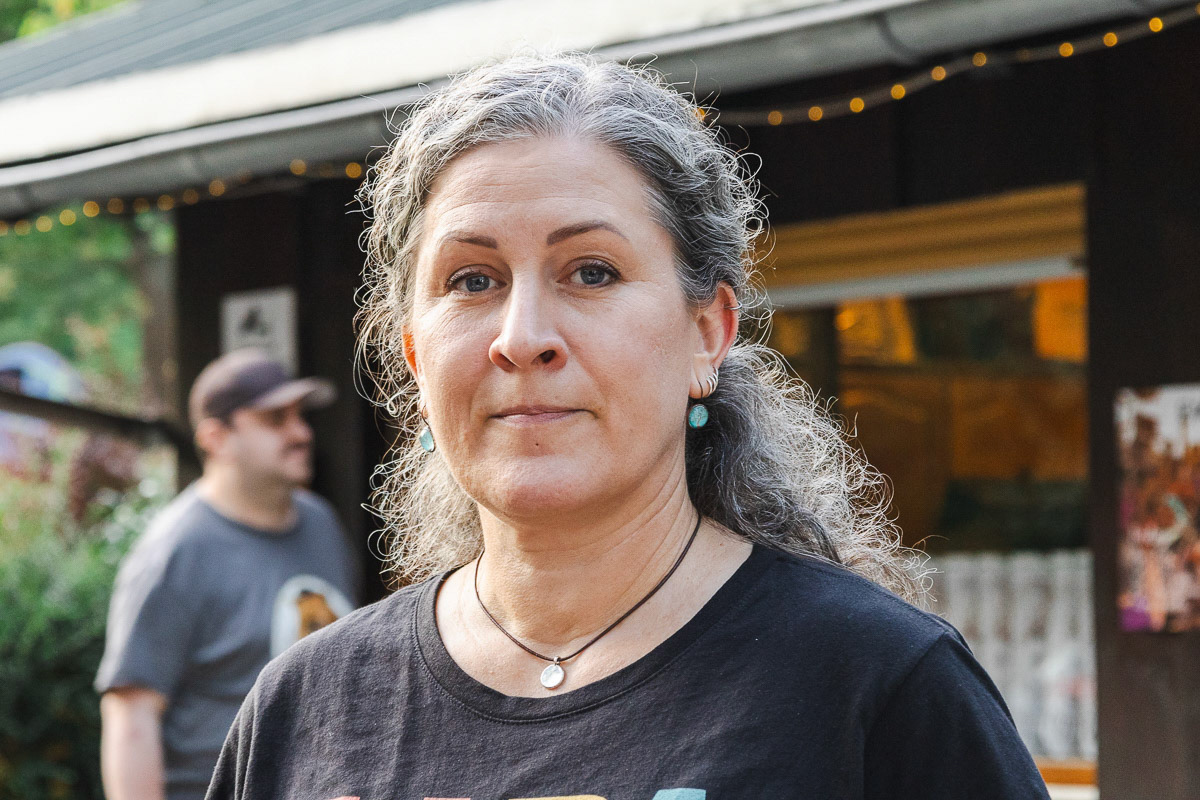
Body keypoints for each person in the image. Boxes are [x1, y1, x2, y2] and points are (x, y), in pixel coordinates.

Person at [207, 53, 1050, 800]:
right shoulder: (306, 709)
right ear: (417, 359)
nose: (522, 338)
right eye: (472, 280)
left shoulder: (876, 685)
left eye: (592, 272)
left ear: (707, 334)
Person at [97, 348, 360, 800]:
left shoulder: (320, 524)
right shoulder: (175, 551)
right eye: (275, 419)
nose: (301, 433)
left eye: (300, 416)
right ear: (216, 438)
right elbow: (131, 717)